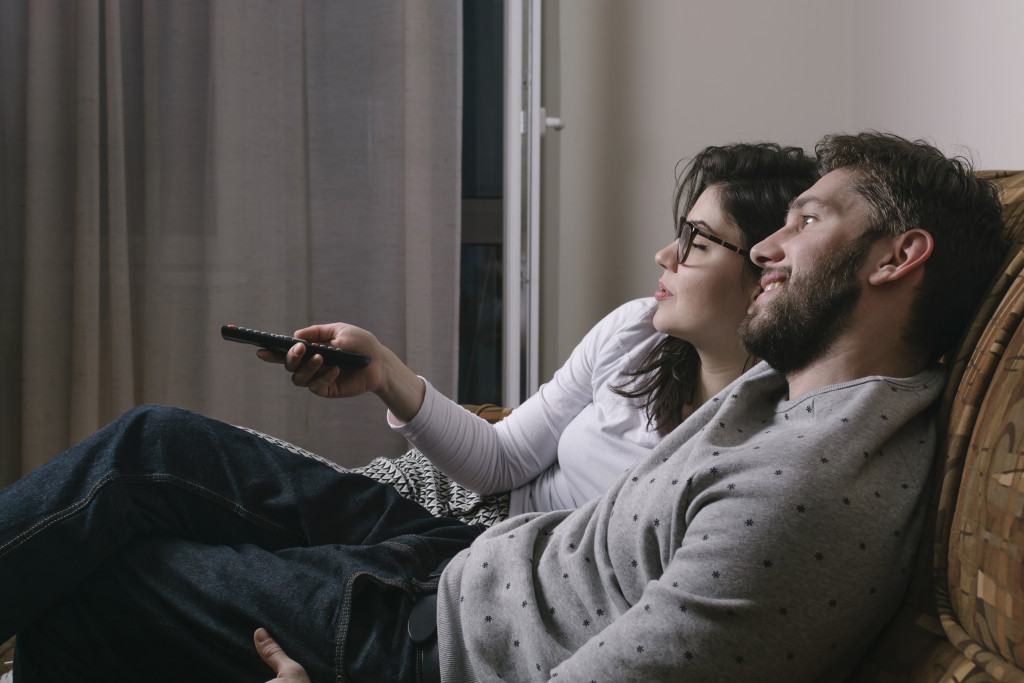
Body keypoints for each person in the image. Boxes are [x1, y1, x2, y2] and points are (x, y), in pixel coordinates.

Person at [0, 132, 1008, 682]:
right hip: (467, 566)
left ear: (895, 257)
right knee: (153, 446)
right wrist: (388, 375)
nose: (766, 257)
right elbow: (503, 456)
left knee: (109, 585)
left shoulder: (803, 490)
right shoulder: (790, 385)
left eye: (801, 223)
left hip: (441, 638)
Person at [257, 143, 818, 528]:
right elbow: (500, 460)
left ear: (766, 273)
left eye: (697, 242)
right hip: (444, 492)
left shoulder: (761, 440)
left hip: (490, 563)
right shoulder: (634, 332)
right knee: (210, 470)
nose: (665, 255)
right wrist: (382, 370)